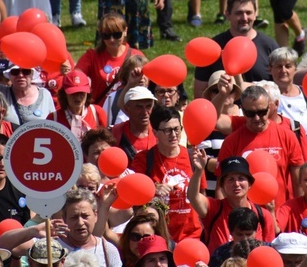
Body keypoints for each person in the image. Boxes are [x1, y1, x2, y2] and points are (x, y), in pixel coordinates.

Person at [216, 85, 304, 208]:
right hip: (244, 219)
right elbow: (221, 187)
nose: (257, 118)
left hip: (280, 215)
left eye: (261, 112)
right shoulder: (231, 141)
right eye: (250, 113)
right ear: (242, 110)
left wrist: (298, 215)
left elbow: (298, 183)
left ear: (269, 108)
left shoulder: (287, 136)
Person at [131, 106, 204, 242]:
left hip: (191, 236)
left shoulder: (192, 158)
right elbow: (133, 192)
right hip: (157, 236)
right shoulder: (144, 159)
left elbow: (202, 195)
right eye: (167, 130)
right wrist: (153, 188)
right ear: (155, 132)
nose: (174, 134)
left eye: (177, 129)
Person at [193, 0, 279, 96]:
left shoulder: (269, 46)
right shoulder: (213, 47)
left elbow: (281, 87)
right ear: (227, 14)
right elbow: (200, 91)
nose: (244, 18)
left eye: (249, 12)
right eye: (239, 13)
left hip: (260, 111)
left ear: (255, 14)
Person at [188, 154, 275, 253]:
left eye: (241, 178)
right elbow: (193, 196)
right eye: (230, 179)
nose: (236, 184)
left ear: (250, 184)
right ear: (222, 185)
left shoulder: (263, 215)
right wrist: (199, 171)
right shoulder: (214, 208)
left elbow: (269, 253)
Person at [75, 13, 146, 105]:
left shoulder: (136, 55)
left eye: (117, 35)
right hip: (100, 113)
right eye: (106, 36)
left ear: (125, 31)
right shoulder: (92, 56)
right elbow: (76, 77)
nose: (112, 39)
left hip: (128, 113)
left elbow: (148, 83)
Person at [0, 40, 56, 124]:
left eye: (26, 71)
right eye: (15, 72)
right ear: (9, 75)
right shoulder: (2, 92)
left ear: (32, 74)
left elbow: (54, 125)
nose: (21, 75)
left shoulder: (45, 94)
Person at [58, 188, 122, 265]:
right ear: (64, 219)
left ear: (95, 216)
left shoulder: (108, 250)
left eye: (85, 216)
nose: (80, 223)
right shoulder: (53, 248)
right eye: (74, 217)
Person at [48, 70, 107, 139]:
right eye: (73, 93)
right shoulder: (53, 118)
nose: (78, 97)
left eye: (82, 93)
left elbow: (105, 143)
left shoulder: (97, 113)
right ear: (64, 94)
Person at [111, 86, 158, 163]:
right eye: (139, 107)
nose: (145, 112)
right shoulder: (116, 132)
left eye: (148, 106)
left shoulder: (160, 132)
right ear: (126, 108)